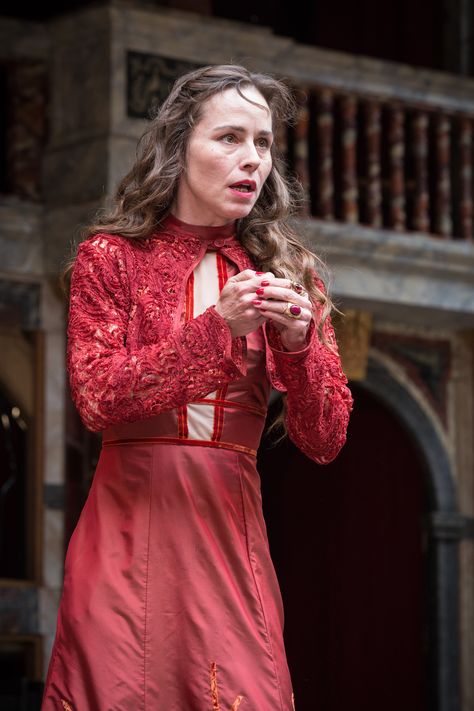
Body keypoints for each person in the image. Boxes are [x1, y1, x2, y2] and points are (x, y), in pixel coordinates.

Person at [42, 64, 353, 711]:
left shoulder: (286, 272)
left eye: (263, 142)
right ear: (180, 145)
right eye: (230, 138)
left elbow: (323, 440)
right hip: (127, 528)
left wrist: (297, 348)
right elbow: (99, 397)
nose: (253, 160)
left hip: (226, 533)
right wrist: (218, 329)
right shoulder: (111, 258)